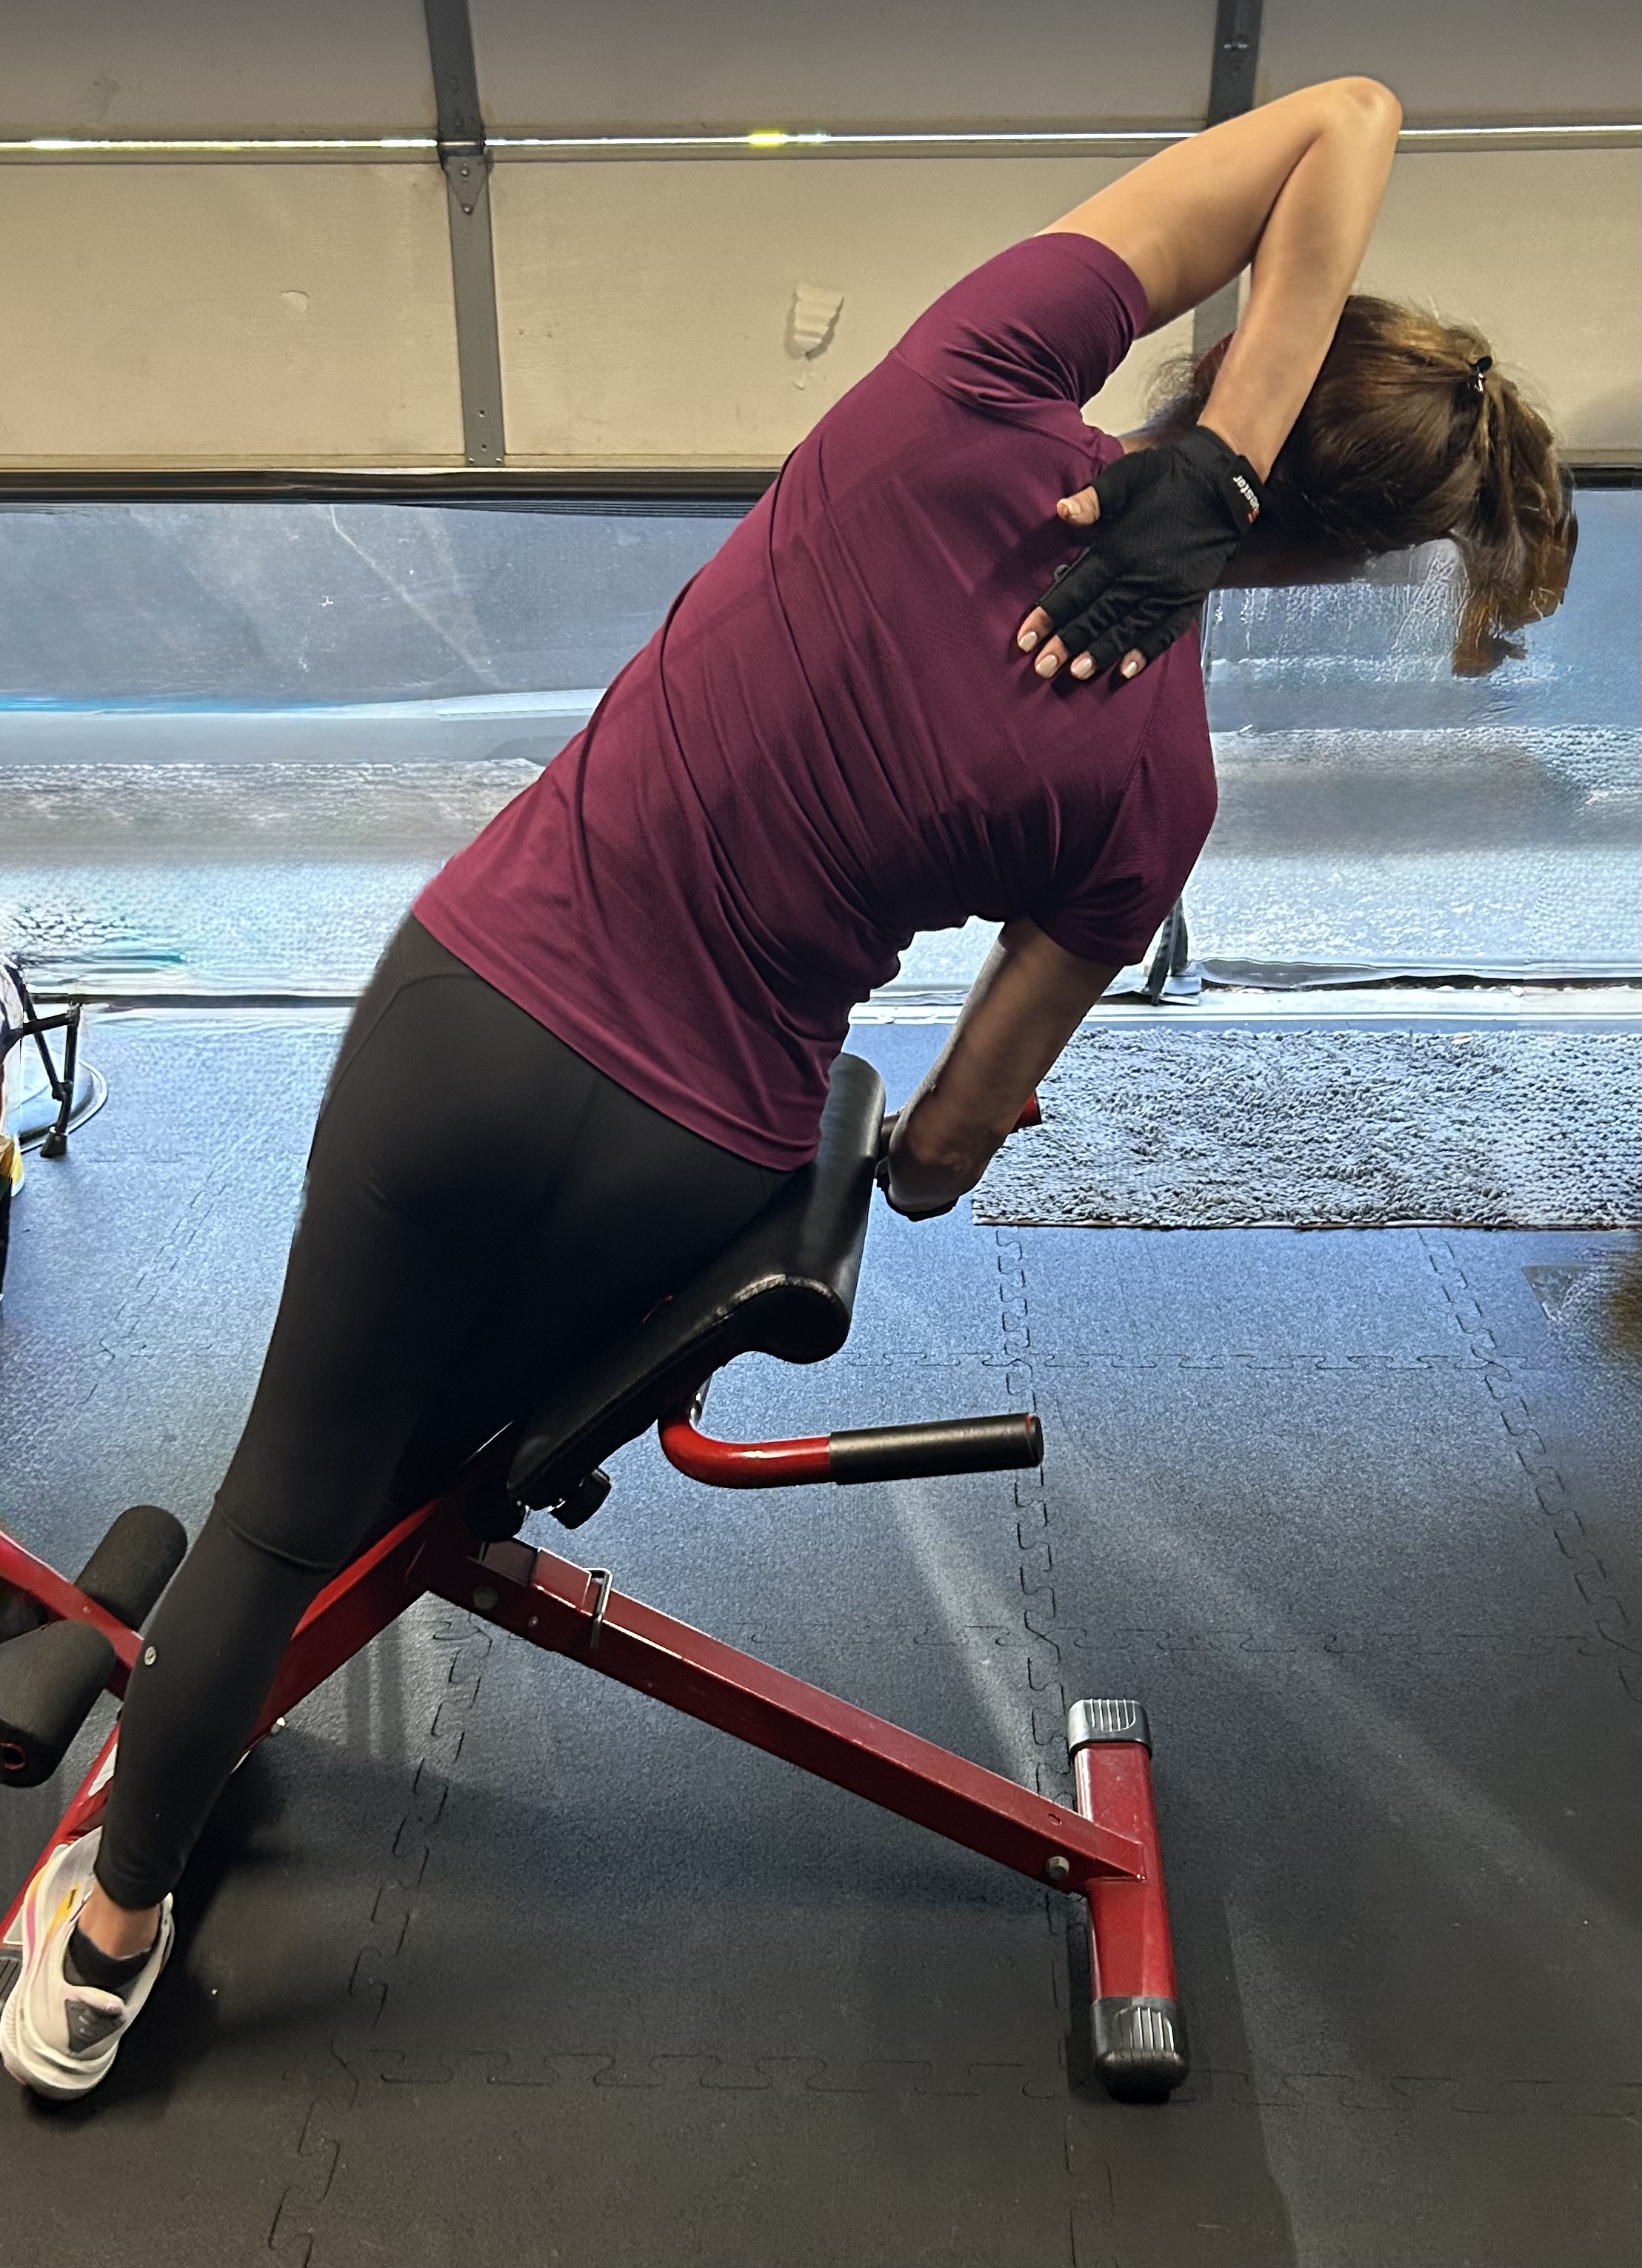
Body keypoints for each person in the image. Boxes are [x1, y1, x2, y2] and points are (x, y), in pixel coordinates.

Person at [3, 76, 1573, 2099]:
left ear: (1202, 355)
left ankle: (97, 1952)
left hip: (469, 1012)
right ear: (1337, 568)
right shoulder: (1154, 792)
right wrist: (921, 1146)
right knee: (420, 1468)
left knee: (287, 1511)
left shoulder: (970, 372)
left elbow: (1341, 115)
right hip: (693, 1153)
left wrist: (1227, 445)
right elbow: (940, 1140)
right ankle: (193, 1690)